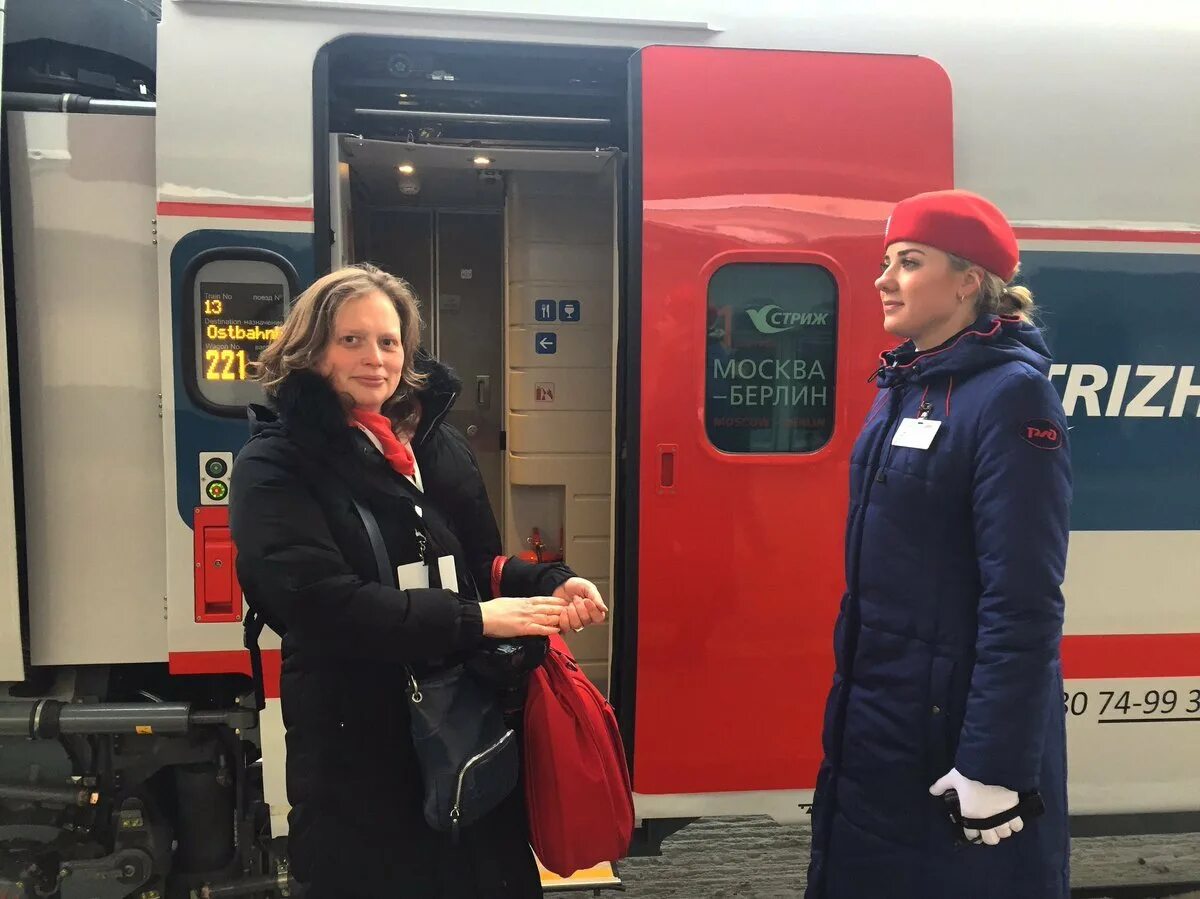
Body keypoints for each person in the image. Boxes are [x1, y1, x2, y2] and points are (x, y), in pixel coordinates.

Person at [228, 263, 607, 898]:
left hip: (460, 721)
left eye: (388, 341)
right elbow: (317, 604)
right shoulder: (275, 463)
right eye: (350, 340)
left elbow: (476, 562)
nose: (374, 358)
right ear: (310, 348)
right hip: (357, 744)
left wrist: (547, 582)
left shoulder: (435, 446)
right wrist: (475, 621)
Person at [806, 190, 1072, 898]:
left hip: (948, 734)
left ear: (969, 281)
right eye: (886, 261)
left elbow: (1023, 600)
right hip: (878, 719)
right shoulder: (904, 388)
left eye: (909, 261)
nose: (883, 279)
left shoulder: (1012, 400)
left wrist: (995, 764)